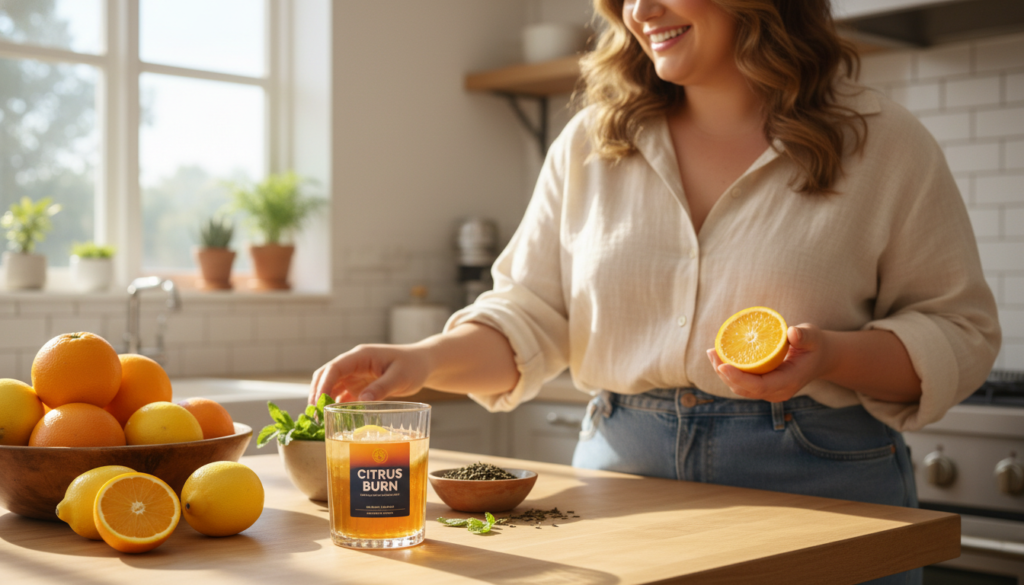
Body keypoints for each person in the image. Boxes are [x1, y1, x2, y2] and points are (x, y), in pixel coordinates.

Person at [312, 1, 999, 582]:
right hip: (622, 482)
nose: (640, 10)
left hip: (822, 483)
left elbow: (959, 332)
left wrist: (832, 356)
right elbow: (530, 314)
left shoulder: (882, 142)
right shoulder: (590, 142)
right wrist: (423, 361)